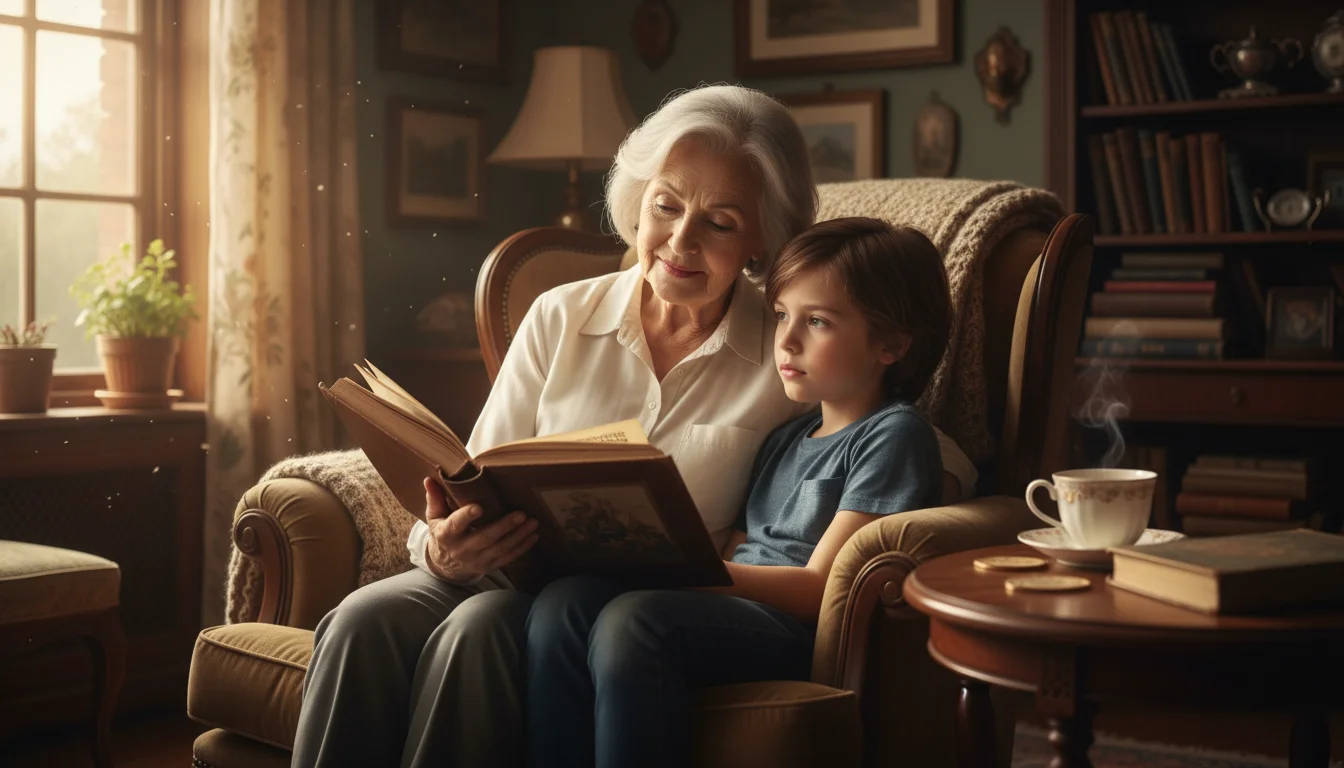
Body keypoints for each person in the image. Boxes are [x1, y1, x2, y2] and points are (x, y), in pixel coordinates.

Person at [291, 85, 977, 768]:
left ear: (763, 235)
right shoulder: (559, 315)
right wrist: (443, 547)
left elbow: (901, 433)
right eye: (666, 206)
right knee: (359, 619)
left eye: (720, 221)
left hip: (621, 599)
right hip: (493, 571)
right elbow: (468, 473)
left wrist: (938, 484)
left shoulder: (787, 347)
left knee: (479, 629)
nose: (681, 240)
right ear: (639, 201)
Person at [523, 217, 952, 768]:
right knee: (565, 602)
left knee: (635, 619)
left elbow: (820, 588)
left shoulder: (892, 434)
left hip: (794, 630)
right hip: (731, 614)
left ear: (891, 343)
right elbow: (738, 551)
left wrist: (669, 570)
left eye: (817, 321)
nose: (787, 340)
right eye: (781, 316)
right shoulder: (784, 439)